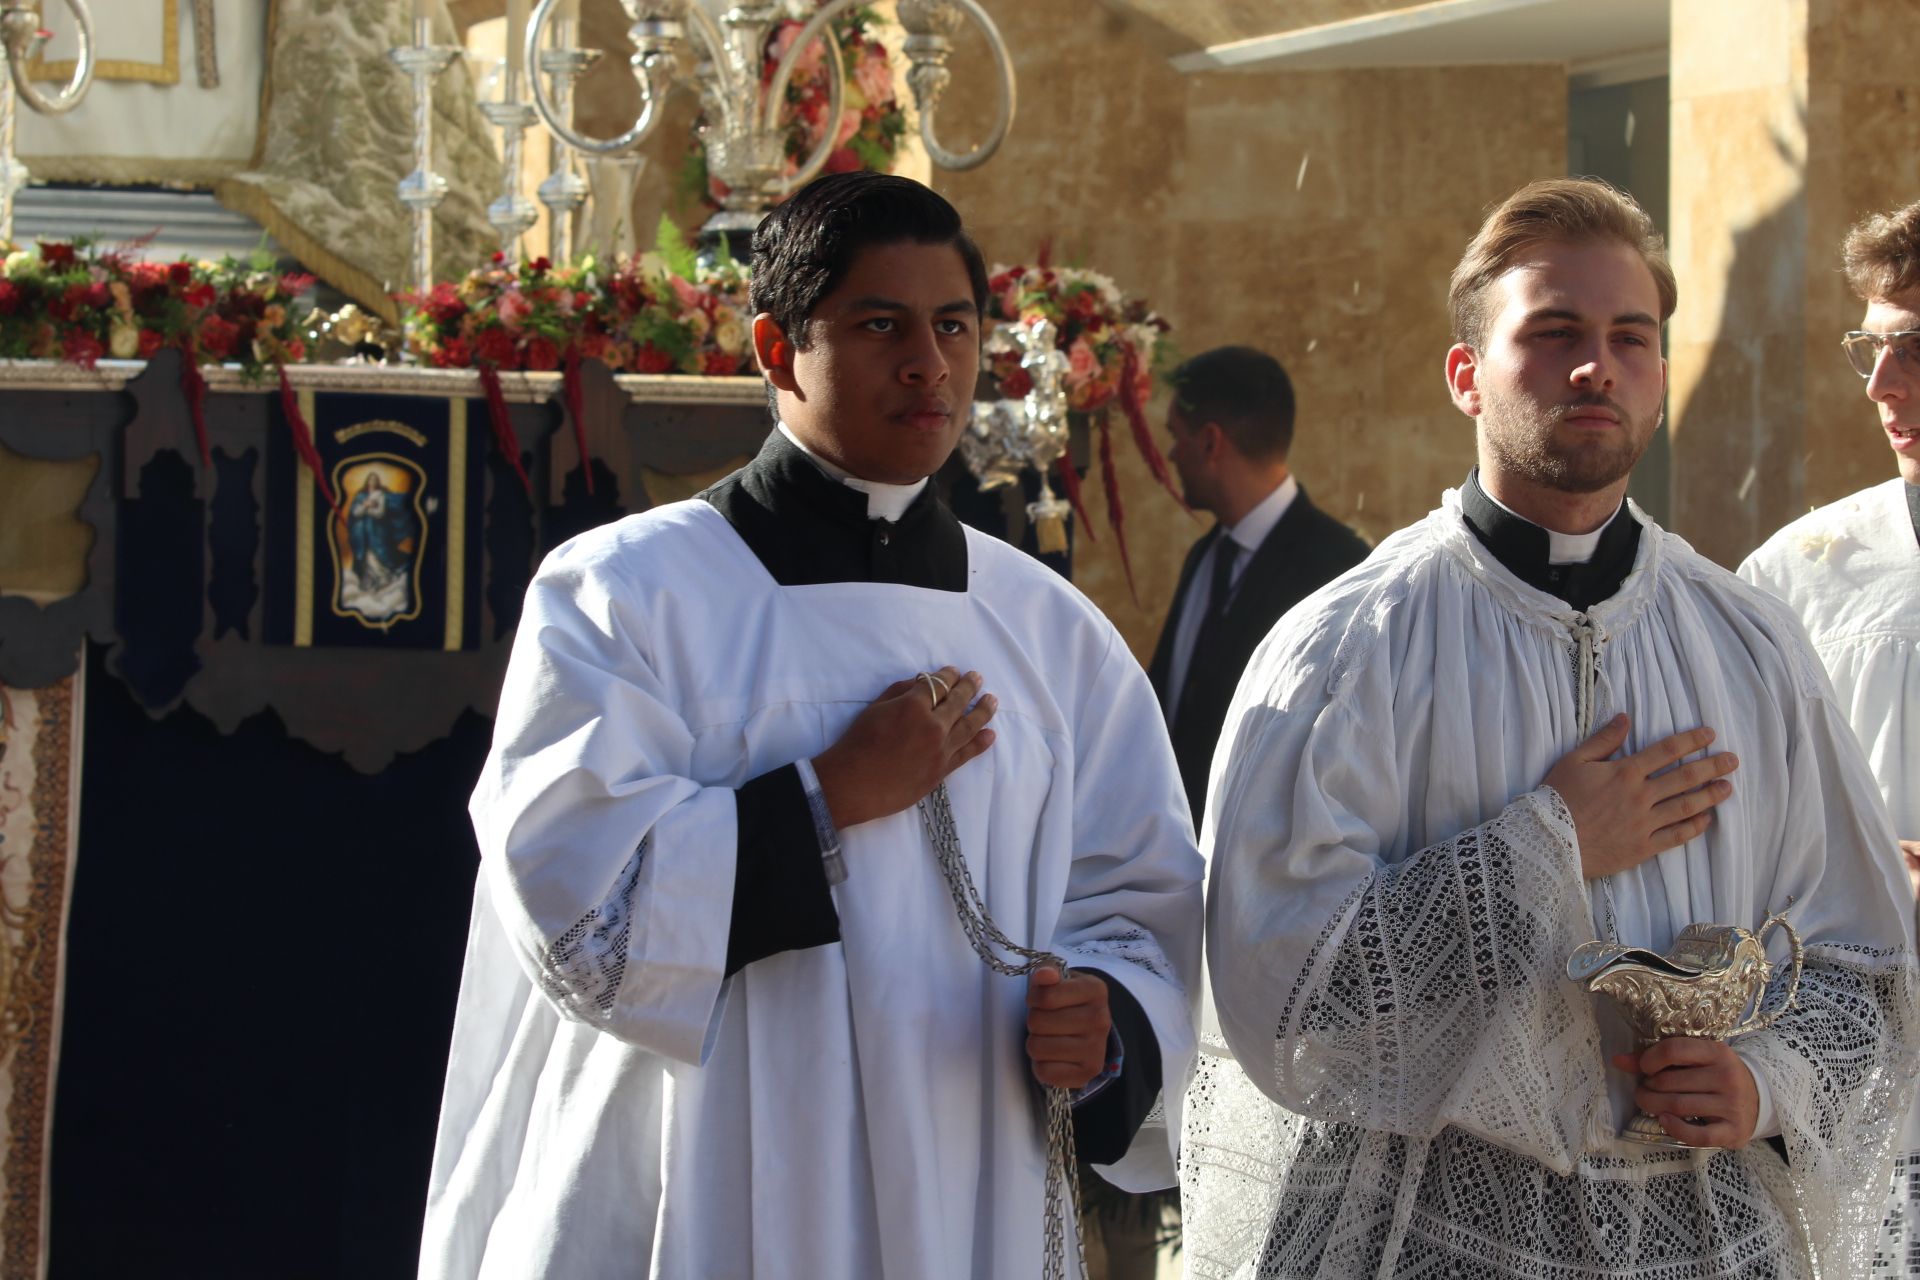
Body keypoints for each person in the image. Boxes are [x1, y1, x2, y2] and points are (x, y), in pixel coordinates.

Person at [418, 172, 1202, 1279]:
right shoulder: (625, 593)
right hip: (700, 1170)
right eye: (880, 325)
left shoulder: (1050, 630)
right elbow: (569, 900)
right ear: (777, 349)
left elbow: (1143, 898)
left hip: (962, 1176)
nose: (928, 362)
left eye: (953, 326)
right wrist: (829, 793)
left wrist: (1108, 1024)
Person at [1180, 177, 1919, 1278]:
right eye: (1554, 332)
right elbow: (1279, 989)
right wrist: (1548, 846)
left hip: (1706, 1230)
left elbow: (1865, 961)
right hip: (1425, 1230)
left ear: (1661, 375)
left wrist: (1766, 1078)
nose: (1597, 366)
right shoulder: (1345, 649)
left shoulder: (1753, 643)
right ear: (1466, 376)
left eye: (1632, 336)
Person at [1739, 198, 1920, 1272]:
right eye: (1872, 345)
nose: (1882, 387)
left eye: (1915, 347)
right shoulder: (1798, 573)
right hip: (1855, 1071)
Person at [1146, 345, 1369, 818]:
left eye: (1175, 435)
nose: (1169, 453)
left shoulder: (1341, 568)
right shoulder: (1204, 556)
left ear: (1210, 442)